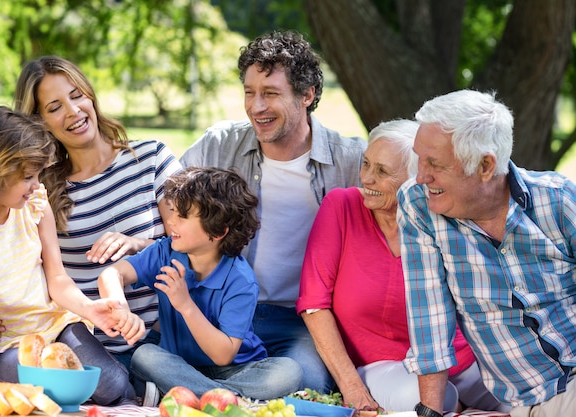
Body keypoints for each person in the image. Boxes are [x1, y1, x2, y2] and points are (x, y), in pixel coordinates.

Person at [180, 30, 366, 393]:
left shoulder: (351, 161)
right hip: (224, 309)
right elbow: (168, 201)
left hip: (303, 321)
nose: (255, 107)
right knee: (153, 356)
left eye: (270, 94)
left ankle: (207, 388)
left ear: (307, 96)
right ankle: (239, 388)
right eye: (249, 92)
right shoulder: (220, 145)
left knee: (305, 383)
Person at [297, 119, 508, 413]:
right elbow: (314, 304)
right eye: (366, 164)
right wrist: (352, 388)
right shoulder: (341, 207)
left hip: (459, 359)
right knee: (431, 399)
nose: (366, 178)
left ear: (416, 179)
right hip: (384, 368)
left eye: (382, 171)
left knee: (533, 399)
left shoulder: (440, 218)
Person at [397, 89, 576, 417]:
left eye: (435, 164)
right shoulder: (419, 205)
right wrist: (430, 414)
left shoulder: (560, 201)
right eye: (419, 159)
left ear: (485, 166)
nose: (421, 176)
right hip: (527, 398)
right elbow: (429, 319)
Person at [0, 106, 145, 405]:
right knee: (42, 394)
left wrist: (88, 309)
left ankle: (129, 398)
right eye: (28, 176)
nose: (36, 185)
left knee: (112, 385)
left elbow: (56, 277)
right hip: (5, 344)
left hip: (56, 324)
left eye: (37, 175)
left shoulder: (36, 205)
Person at [97, 167, 303, 399]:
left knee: (288, 373)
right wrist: (121, 308)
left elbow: (223, 355)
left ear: (217, 232)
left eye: (182, 216)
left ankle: (194, 395)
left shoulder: (241, 281)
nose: (171, 221)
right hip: (179, 364)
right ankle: (227, 399)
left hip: (235, 369)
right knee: (145, 356)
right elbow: (112, 274)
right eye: (172, 211)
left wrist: (185, 305)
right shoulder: (165, 252)